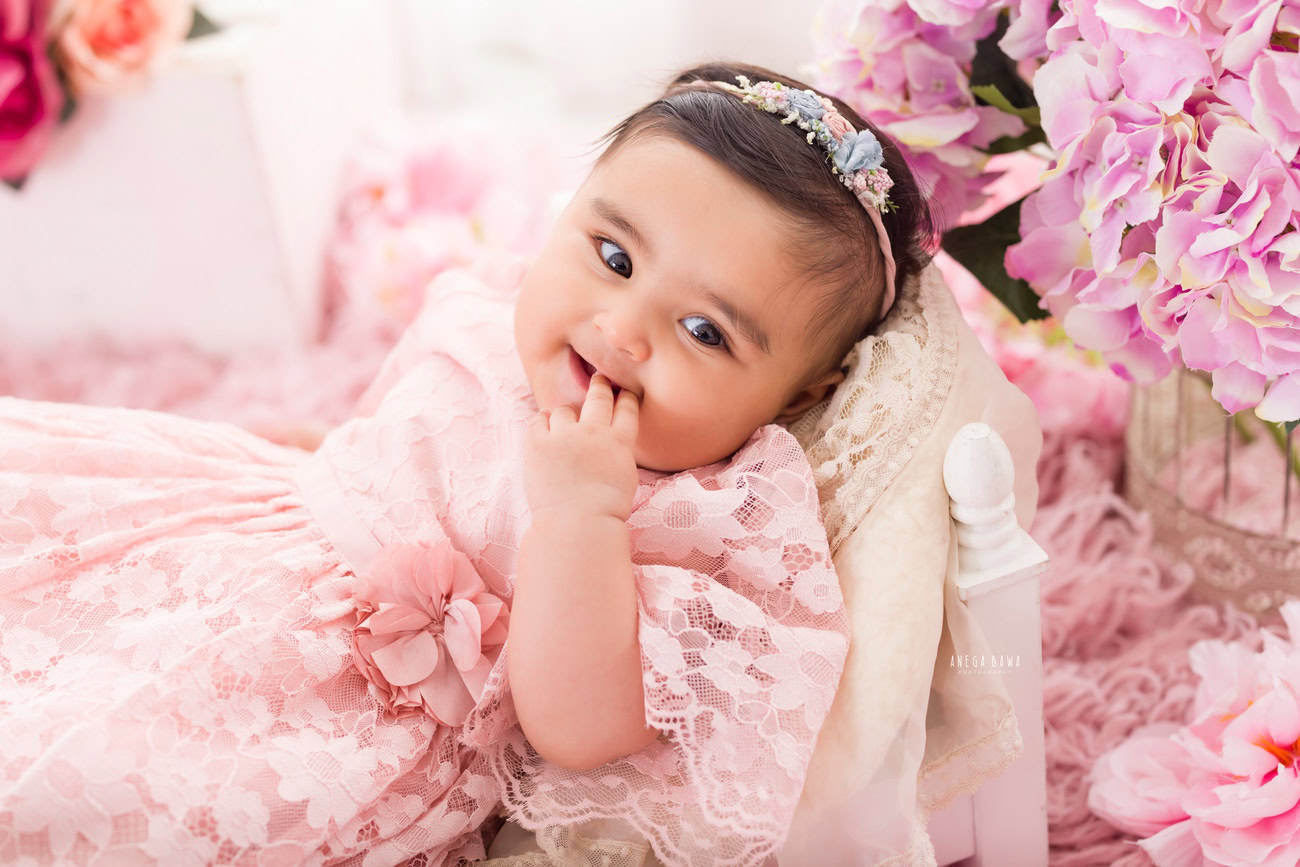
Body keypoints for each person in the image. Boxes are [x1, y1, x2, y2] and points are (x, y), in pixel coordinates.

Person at [0, 60, 938, 866]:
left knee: (100, 780)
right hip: (253, 540)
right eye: (614, 257)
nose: (621, 329)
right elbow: (400, 411)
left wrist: (582, 517)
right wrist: (326, 451)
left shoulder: (706, 511)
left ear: (800, 393)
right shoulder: (488, 317)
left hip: (336, 714)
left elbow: (578, 726)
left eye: (704, 330)